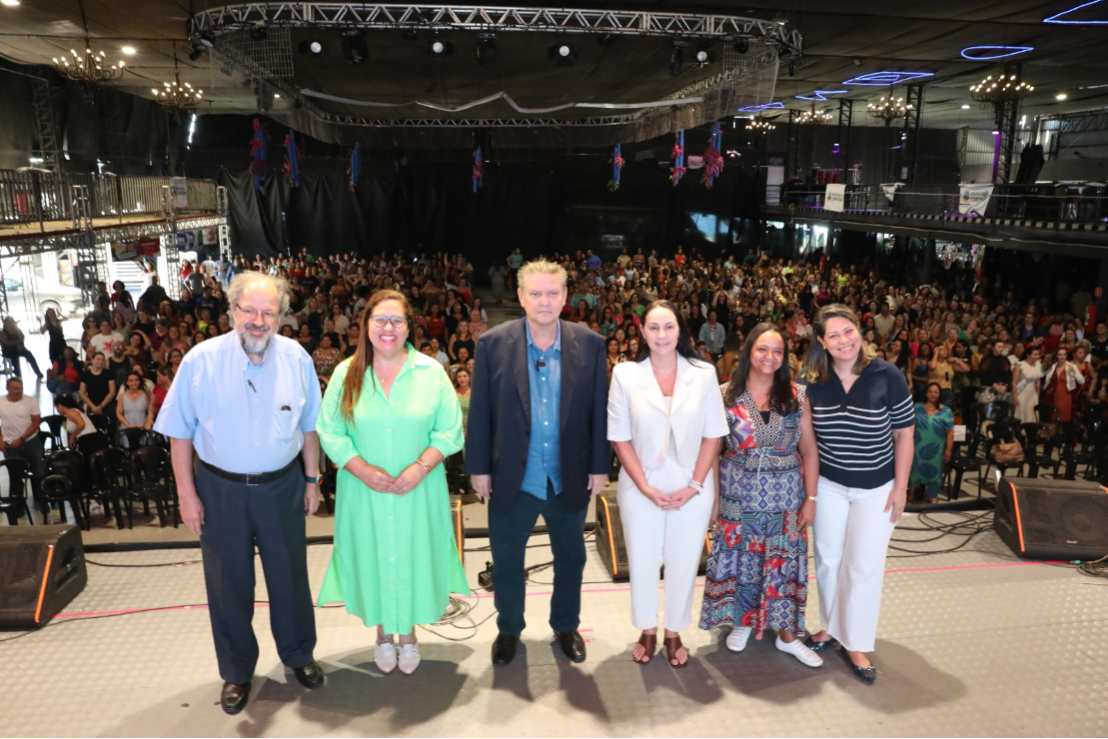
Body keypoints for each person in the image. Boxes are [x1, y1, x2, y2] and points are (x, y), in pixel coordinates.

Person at [154, 272, 326, 715]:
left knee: (290, 578)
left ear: (281, 316)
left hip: (283, 487)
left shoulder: (297, 358)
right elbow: (178, 434)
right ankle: (236, 671)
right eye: (249, 310)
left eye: (269, 312)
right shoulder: (200, 360)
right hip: (220, 491)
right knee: (228, 585)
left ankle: (299, 654)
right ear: (232, 310)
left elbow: (310, 426)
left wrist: (312, 480)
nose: (258, 320)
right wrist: (187, 496)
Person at [466, 259, 610, 668]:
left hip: (569, 475)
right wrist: (478, 468)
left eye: (552, 293)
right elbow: (480, 412)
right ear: (520, 296)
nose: (544, 301)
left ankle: (566, 625)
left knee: (572, 559)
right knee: (507, 561)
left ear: (565, 297)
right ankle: (509, 629)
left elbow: (599, 412)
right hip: (513, 477)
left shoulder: (591, 344)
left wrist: (600, 466)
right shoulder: (492, 344)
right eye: (535, 293)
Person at [316, 290, 467, 676]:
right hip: (364, 490)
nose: (388, 327)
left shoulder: (431, 372)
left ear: (409, 327)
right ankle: (383, 634)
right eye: (379, 319)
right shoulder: (346, 373)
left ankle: (410, 636)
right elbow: (330, 431)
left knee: (414, 554)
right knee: (374, 555)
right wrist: (362, 469)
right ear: (366, 325)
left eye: (396, 320)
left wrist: (420, 467)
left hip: (419, 488)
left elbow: (450, 430)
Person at [607, 300, 728, 667]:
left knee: (685, 560)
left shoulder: (703, 373)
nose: (661, 334)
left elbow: (713, 434)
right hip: (641, 480)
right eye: (654, 327)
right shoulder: (625, 374)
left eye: (669, 326)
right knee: (642, 559)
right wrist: (644, 487)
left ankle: (674, 631)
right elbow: (619, 437)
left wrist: (695, 485)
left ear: (680, 331)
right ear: (642, 332)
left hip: (693, 479)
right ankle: (646, 628)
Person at [800, 304, 914, 684]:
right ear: (821, 342)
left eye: (848, 331)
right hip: (830, 486)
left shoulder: (887, 375)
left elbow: (904, 435)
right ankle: (831, 626)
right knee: (829, 560)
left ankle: (855, 642)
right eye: (833, 335)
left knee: (863, 566)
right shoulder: (811, 380)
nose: (844, 340)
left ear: (859, 332)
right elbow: (808, 442)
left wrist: (900, 488)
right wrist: (810, 494)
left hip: (876, 488)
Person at [699, 323, 822, 667]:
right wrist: (714, 499)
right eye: (763, 349)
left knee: (785, 561)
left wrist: (811, 499)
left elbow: (810, 450)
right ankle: (742, 620)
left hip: (786, 496)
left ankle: (787, 636)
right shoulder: (724, 394)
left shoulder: (796, 395)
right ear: (748, 352)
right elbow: (711, 451)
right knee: (742, 557)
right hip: (738, 492)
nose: (770, 356)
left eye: (777, 351)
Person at [0, 377, 47, 508]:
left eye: (20, 388)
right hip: (10, 444)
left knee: (39, 470)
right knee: (14, 474)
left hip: (31, 441)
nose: (18, 391)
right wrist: (1, 441)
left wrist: (21, 439)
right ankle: (18, 505)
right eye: (15, 388)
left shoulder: (31, 401)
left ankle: (42, 500)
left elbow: (36, 422)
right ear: (7, 388)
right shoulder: (1, 402)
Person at [909, 382, 955, 502]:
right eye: (930, 391)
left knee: (935, 473)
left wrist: (949, 450)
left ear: (940, 394)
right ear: (926, 393)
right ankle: (910, 495)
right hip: (917, 446)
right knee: (914, 471)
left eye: (936, 392)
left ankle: (932, 495)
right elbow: (909, 426)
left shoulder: (946, 411)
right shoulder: (917, 407)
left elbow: (950, 432)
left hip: (937, 449)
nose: (933, 394)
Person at [1042, 347, 1085, 423]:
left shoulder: (1071, 366)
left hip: (1065, 395)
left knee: (1062, 416)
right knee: (1051, 416)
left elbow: (1082, 381)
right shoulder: (1053, 366)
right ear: (1056, 355)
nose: (1062, 356)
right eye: (1060, 355)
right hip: (1051, 395)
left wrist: (1074, 373)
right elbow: (1042, 375)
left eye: (1064, 354)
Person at [0, 317, 43, 381]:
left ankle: (38, 372)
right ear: (5, 323)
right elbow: (6, 342)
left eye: (11, 321)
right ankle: (18, 376)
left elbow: (22, 337)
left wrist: (16, 329)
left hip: (19, 349)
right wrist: (17, 341)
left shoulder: (17, 330)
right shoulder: (2, 332)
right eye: (8, 322)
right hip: (8, 351)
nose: (10, 323)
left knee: (29, 354)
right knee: (15, 358)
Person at [79, 352, 117, 418]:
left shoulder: (109, 374)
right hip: (91, 404)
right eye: (98, 359)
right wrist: (93, 407)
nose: (100, 361)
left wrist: (101, 406)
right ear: (92, 360)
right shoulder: (85, 375)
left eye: (102, 359)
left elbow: (112, 392)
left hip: (107, 404)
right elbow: (82, 393)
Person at [1013, 347, 1044, 423]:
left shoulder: (1038, 364)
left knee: (1031, 412)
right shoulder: (1019, 365)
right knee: (1021, 411)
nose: (1037, 356)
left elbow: (1038, 382)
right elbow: (1014, 382)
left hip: (1032, 393)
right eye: (1035, 354)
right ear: (1028, 355)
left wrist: (1037, 394)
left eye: (1038, 354)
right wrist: (1014, 396)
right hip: (1021, 392)